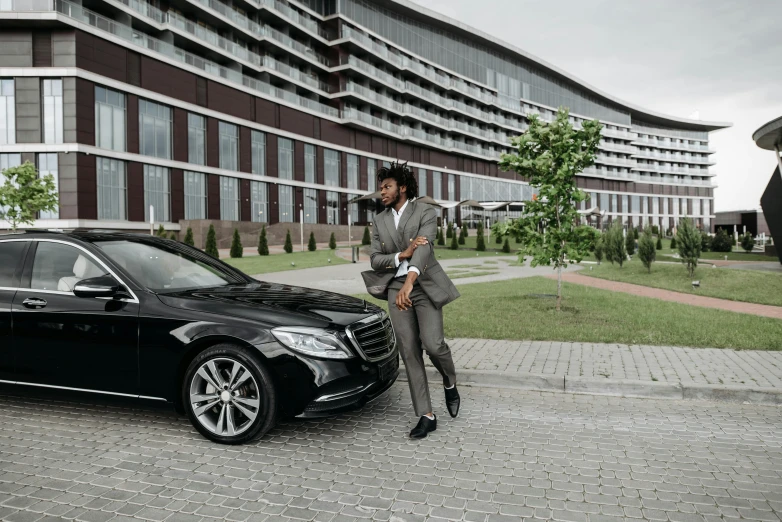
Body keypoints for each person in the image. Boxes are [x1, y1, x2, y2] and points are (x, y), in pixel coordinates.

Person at [369, 161, 461, 439]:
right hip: (395, 287)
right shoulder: (378, 220)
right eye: (380, 188)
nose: (381, 192)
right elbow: (375, 259)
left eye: (387, 187)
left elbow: (425, 247)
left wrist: (409, 280)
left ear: (403, 187)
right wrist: (401, 254)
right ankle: (426, 415)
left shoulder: (425, 211)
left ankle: (449, 380)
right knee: (408, 351)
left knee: (434, 345)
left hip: (423, 285)